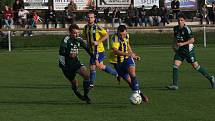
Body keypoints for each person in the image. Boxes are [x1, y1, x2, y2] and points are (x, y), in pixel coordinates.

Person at [166, 14, 214, 90]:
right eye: (178, 20)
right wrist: (173, 45)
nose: (179, 21)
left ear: (184, 21)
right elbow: (175, 38)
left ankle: (210, 78)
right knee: (175, 65)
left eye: (181, 20)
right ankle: (175, 85)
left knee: (196, 66)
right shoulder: (175, 28)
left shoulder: (187, 29)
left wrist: (182, 44)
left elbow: (192, 40)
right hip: (180, 50)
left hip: (188, 50)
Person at [109, 25, 148, 103]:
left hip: (127, 59)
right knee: (129, 81)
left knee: (132, 73)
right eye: (121, 34)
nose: (123, 36)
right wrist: (128, 54)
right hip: (117, 62)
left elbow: (127, 45)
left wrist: (133, 55)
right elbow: (116, 51)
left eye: (124, 34)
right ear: (117, 32)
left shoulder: (127, 35)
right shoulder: (114, 38)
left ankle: (136, 93)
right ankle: (140, 93)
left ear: (126, 31)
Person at [81, 11, 119, 88]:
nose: (90, 19)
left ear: (94, 18)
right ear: (86, 18)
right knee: (100, 66)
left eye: (91, 17)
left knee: (93, 66)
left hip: (98, 50)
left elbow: (106, 35)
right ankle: (117, 74)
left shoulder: (97, 27)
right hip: (92, 51)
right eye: (88, 17)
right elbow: (84, 37)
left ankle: (91, 84)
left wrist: (98, 41)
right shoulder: (85, 28)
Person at [59, 24, 91, 104]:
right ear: (70, 33)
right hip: (66, 66)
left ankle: (86, 95)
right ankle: (77, 93)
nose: (76, 34)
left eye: (78, 33)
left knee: (86, 75)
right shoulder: (66, 40)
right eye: (74, 33)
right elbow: (61, 52)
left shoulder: (79, 39)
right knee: (75, 83)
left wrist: (94, 58)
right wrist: (69, 54)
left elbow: (87, 49)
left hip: (76, 62)